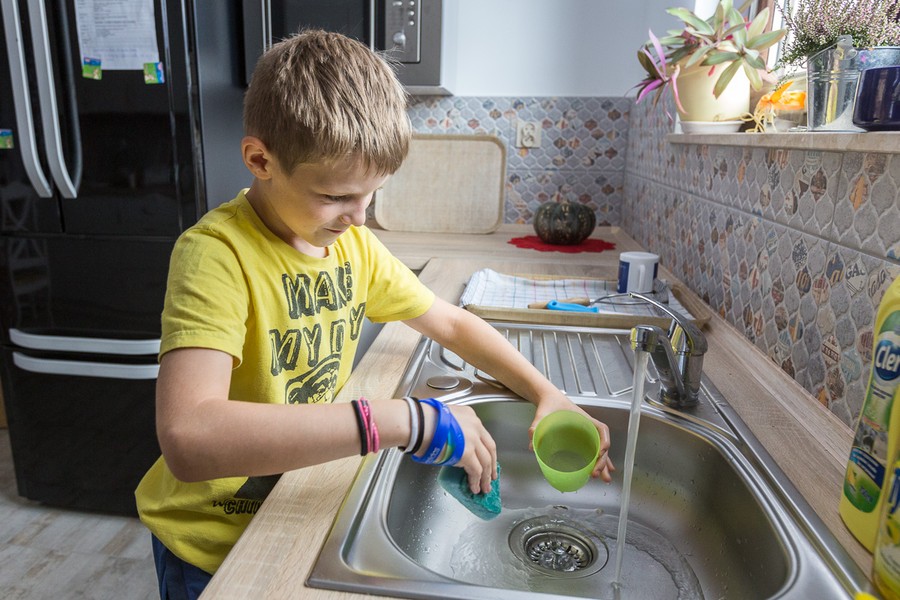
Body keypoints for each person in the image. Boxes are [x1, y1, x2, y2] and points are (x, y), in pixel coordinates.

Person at [134, 29, 614, 599]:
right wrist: (402, 419)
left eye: (372, 195)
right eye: (336, 197)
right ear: (260, 159)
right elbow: (189, 439)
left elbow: (453, 323)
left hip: (291, 500)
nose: (358, 217)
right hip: (210, 540)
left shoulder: (351, 248)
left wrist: (546, 392)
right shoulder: (217, 255)